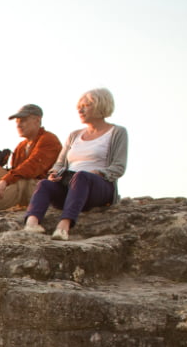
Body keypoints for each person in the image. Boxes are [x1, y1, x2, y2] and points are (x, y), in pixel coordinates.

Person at [23, 88, 128, 240]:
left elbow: (118, 167)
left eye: (86, 105)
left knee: (81, 177)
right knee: (44, 184)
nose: (80, 109)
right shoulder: (74, 135)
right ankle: (32, 223)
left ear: (101, 106)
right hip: (70, 186)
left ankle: (64, 226)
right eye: (79, 106)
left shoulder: (117, 132)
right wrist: (54, 173)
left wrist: (97, 173)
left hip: (99, 187)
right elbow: (59, 164)